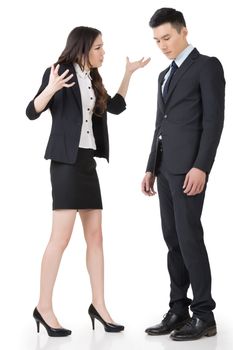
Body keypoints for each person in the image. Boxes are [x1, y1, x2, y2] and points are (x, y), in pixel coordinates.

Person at [26, 26, 150, 337]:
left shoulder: (93, 79)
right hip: (65, 163)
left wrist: (128, 73)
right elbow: (31, 111)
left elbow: (116, 108)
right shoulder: (59, 72)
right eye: (98, 47)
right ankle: (44, 307)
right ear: (82, 48)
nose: (103, 52)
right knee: (61, 239)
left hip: (87, 164)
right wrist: (51, 89)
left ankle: (99, 305)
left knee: (96, 238)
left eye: (103, 47)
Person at [142, 8, 225, 341]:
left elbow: (213, 122)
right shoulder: (163, 75)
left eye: (167, 37)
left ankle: (204, 314)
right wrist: (151, 166)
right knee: (172, 240)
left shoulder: (206, 66)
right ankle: (179, 309)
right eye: (157, 40)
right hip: (164, 169)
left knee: (189, 238)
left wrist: (202, 166)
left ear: (183, 31)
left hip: (190, 170)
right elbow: (159, 126)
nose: (163, 45)